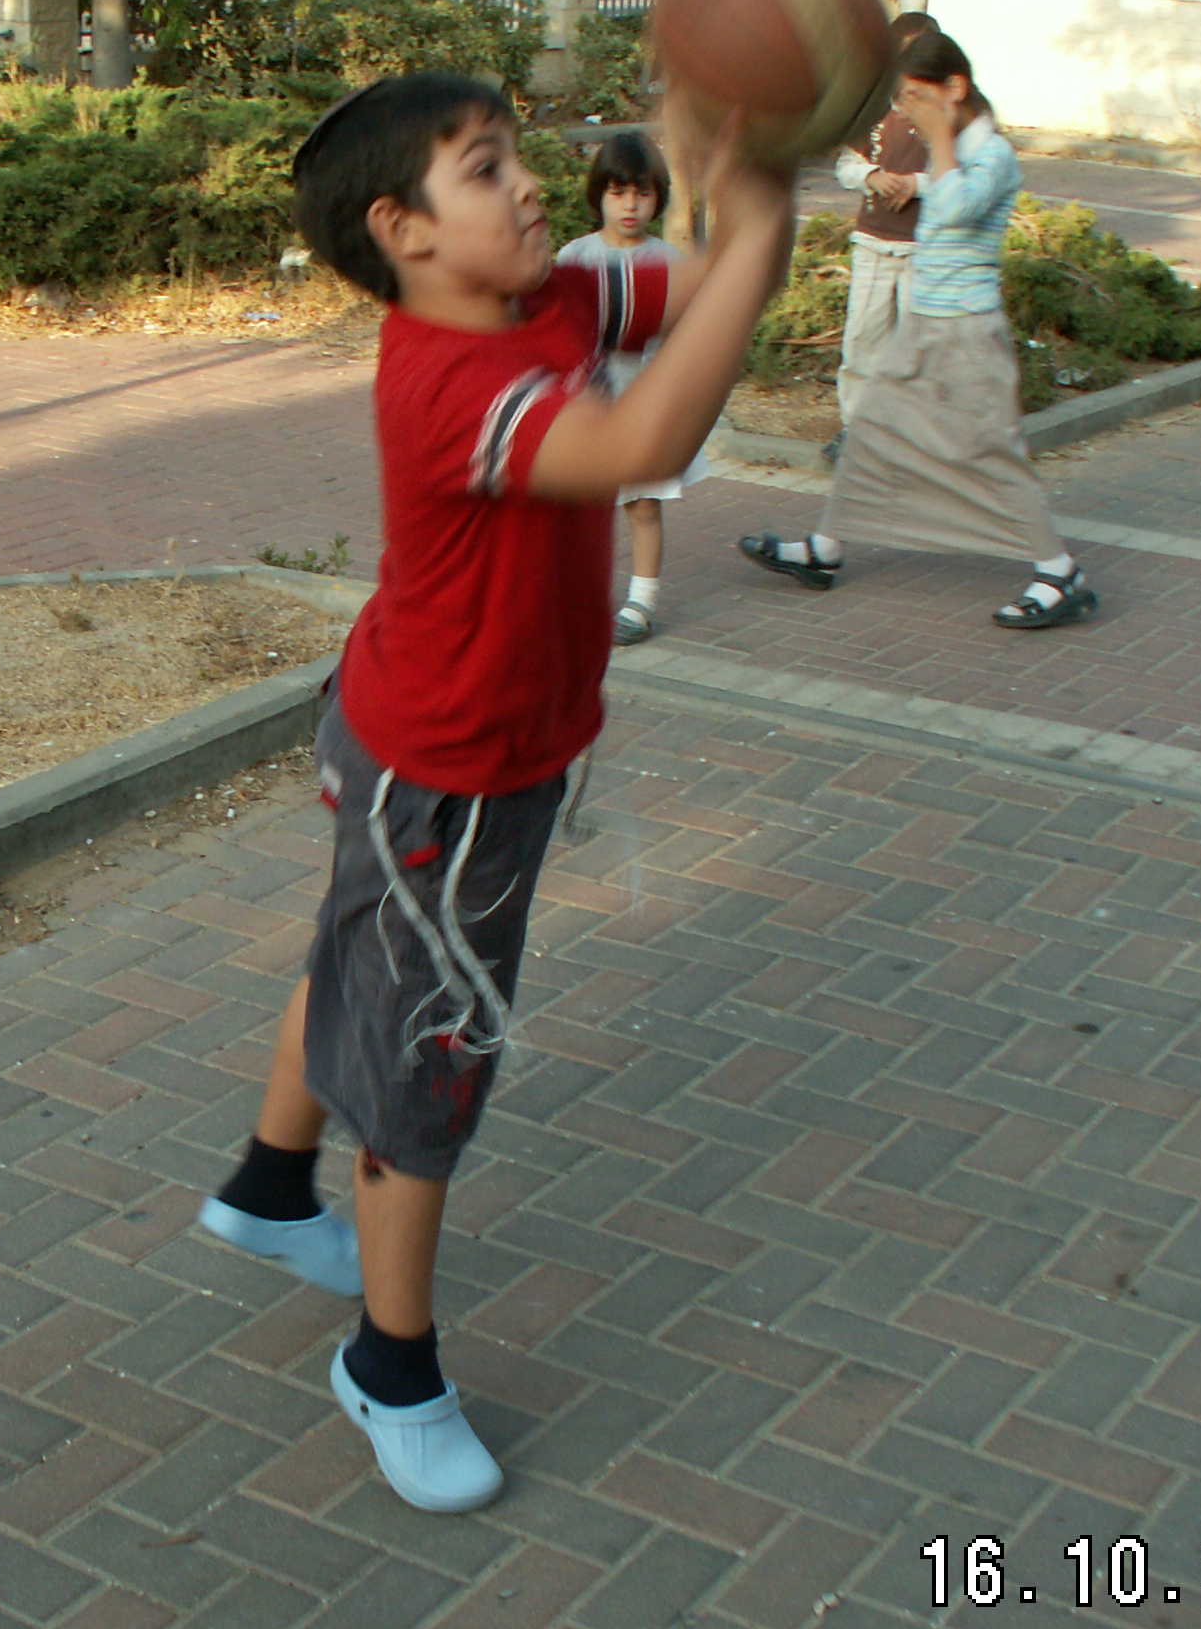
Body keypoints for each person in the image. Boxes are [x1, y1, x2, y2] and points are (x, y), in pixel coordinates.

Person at [195, 74, 792, 1513]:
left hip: (409, 726)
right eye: (483, 168)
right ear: (402, 230)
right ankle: (390, 1367)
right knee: (432, 1049)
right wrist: (765, 231)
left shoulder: (555, 296)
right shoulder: (452, 384)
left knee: (360, 956)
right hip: (449, 779)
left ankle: (270, 1186)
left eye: (517, 154)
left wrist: (727, 189)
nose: (528, 183)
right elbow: (642, 449)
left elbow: (695, 281)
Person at [743, 30, 1095, 632]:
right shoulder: (952, 151)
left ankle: (1060, 572)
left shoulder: (993, 154)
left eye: (914, 96)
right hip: (925, 326)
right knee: (872, 431)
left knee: (990, 451)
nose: (905, 109)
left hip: (968, 333)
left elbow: (954, 207)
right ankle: (825, 551)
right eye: (901, 98)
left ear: (955, 87)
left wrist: (939, 139)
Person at [556, 130, 707, 646]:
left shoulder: (669, 261)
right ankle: (575, 594)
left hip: (644, 403)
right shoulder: (575, 258)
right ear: (598, 194)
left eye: (642, 193)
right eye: (618, 192)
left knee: (643, 504)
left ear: (657, 199)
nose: (630, 205)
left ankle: (642, 600)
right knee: (582, 507)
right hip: (588, 406)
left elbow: (689, 334)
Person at [828, 10, 939, 455]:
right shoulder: (874, 110)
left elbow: (958, 176)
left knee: (917, 343)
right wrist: (872, 175)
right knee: (863, 339)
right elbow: (847, 165)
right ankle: (857, 428)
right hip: (874, 241)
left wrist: (916, 184)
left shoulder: (942, 118)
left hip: (921, 247)